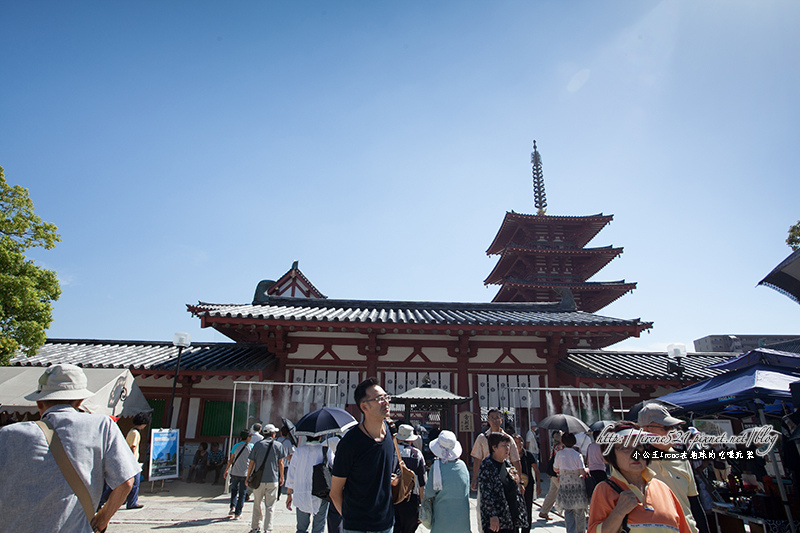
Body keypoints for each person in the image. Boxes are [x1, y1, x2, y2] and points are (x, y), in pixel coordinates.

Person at [0, 363, 140, 533]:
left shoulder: (8, 434)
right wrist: (102, 519)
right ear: (80, 401)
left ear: (39, 403)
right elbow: (126, 482)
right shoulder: (101, 426)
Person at [588, 422, 691, 533]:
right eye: (625, 448)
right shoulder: (605, 490)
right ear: (612, 455)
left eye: (639, 446)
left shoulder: (663, 488)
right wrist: (618, 513)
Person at [330, 377, 400, 533]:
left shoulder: (389, 433)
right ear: (364, 406)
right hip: (359, 527)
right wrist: (352, 519)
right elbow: (335, 491)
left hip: (387, 523)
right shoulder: (350, 443)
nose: (386, 402)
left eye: (386, 397)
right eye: (379, 399)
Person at [638, 403, 709, 533]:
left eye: (673, 427)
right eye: (666, 428)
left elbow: (694, 503)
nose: (673, 432)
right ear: (646, 430)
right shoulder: (633, 461)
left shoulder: (682, 459)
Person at [471, 409, 522, 531]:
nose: (494, 420)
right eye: (492, 418)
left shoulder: (508, 438)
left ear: (501, 420)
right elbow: (477, 459)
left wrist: (519, 482)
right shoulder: (482, 438)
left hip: (505, 477)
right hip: (487, 477)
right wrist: (474, 478)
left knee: (508, 508)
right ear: (487, 420)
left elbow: (515, 461)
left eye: (497, 417)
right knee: (485, 506)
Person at [478, 432, 528, 533]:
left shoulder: (507, 463)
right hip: (498, 519)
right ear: (494, 448)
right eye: (503, 446)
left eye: (508, 445)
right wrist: (493, 515)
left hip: (511, 516)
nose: (507, 448)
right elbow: (486, 494)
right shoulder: (487, 465)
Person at [424, 430, 472, 533]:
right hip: (462, 519)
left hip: (442, 517)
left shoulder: (436, 467)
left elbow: (428, 493)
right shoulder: (462, 466)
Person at [285, 435, 331, 533]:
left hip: (301, 492)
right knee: (319, 527)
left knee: (301, 528)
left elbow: (291, 474)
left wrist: (289, 494)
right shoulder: (326, 450)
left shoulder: (298, 451)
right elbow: (334, 468)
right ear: (320, 437)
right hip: (321, 493)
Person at [247, 423, 286, 533]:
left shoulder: (258, 445)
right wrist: (282, 477)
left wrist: (248, 476)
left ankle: (255, 527)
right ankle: (268, 529)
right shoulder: (278, 445)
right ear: (273, 434)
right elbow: (281, 463)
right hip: (272, 479)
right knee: (270, 506)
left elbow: (251, 463)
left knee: (256, 504)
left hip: (258, 480)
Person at [394, 424, 427, 533]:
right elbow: (422, 483)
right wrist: (422, 505)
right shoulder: (416, 454)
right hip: (410, 497)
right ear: (411, 440)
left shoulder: (390, 452)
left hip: (392, 496)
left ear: (398, 437)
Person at [554, 432, 589, 533]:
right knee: (579, 510)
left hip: (565, 484)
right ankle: (580, 531)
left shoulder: (560, 454)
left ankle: (570, 531)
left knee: (568, 510)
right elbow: (582, 471)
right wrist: (586, 470)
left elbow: (555, 468)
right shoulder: (578, 455)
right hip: (577, 484)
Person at [513, 433, 541, 531]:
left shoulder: (528, 455)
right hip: (514, 485)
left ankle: (526, 530)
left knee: (527, 508)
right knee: (515, 508)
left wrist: (538, 485)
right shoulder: (510, 455)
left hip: (528, 485)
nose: (518, 444)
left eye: (520, 442)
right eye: (515, 442)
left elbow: (536, 470)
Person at [124, 411, 150, 509]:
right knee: (135, 483)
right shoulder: (136, 433)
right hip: (132, 461)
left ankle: (126, 500)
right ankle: (132, 502)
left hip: (129, 460)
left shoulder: (131, 431)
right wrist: (133, 460)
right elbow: (133, 447)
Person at [224, 429, 253, 521]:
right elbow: (252, 461)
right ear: (247, 437)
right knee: (242, 493)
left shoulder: (236, 446)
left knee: (233, 490)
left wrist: (226, 470)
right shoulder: (251, 447)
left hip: (234, 472)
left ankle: (232, 506)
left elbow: (231, 460)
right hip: (245, 473)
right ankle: (238, 513)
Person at [539, 430, 564, 520]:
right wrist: (559, 473)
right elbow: (559, 461)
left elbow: (551, 459)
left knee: (552, 493)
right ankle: (572, 512)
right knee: (564, 492)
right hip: (558, 473)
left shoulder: (554, 446)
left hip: (553, 472)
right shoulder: (560, 448)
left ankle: (544, 511)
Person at [324, 436, 343, 533]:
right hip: (345, 480)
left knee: (333, 512)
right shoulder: (350, 442)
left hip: (333, 478)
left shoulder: (330, 441)